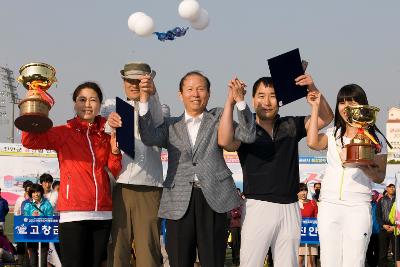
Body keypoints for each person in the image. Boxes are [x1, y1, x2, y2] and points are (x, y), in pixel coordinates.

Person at [138, 71, 256, 267]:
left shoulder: (218, 117)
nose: (195, 94)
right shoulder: (171, 125)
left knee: (212, 260)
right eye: (190, 89)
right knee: (179, 260)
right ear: (180, 94)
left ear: (209, 94)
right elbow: (149, 137)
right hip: (178, 200)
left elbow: (248, 135)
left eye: (201, 89)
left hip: (213, 197)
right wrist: (144, 99)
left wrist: (240, 102)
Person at [218, 74, 333, 266]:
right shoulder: (246, 129)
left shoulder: (291, 125)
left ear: (279, 100)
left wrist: (312, 87)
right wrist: (230, 101)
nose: (267, 101)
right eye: (261, 96)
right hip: (257, 207)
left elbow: (326, 117)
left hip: (290, 206)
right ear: (253, 100)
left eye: (272, 95)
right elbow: (224, 141)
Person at [21, 81, 122, 267]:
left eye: (93, 100)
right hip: (73, 214)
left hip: (103, 214)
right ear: (75, 104)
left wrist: (115, 152)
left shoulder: (106, 134)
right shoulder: (63, 133)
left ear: (100, 104)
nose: (87, 104)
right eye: (82, 99)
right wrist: (32, 109)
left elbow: (114, 170)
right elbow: (30, 140)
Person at [306, 84, 388, 267]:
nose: (346, 106)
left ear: (362, 105)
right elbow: (311, 142)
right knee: (329, 261)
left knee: (354, 261)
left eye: (351, 101)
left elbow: (380, 176)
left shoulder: (377, 139)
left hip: (358, 207)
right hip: (329, 205)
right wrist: (314, 108)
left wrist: (359, 162)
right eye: (341, 102)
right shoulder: (333, 134)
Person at [107, 62, 164, 267]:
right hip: (118, 187)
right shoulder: (112, 108)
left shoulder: (158, 107)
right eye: (129, 81)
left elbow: (159, 120)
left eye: (138, 81)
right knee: (117, 248)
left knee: (147, 249)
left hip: (149, 188)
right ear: (123, 82)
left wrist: (151, 94)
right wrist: (109, 124)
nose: (133, 85)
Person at [23, 183, 53, 267]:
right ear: (30, 194)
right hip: (31, 234)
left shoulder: (47, 204)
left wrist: (42, 219)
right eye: (33, 192)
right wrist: (31, 217)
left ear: (41, 192)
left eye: (38, 192)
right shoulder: (27, 205)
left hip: (44, 234)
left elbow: (51, 219)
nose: (36, 194)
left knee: (43, 258)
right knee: (33, 259)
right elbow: (24, 220)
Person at [297, 183, 318, 267]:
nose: (303, 193)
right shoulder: (294, 204)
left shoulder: (313, 203)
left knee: (311, 263)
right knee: (299, 262)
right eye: (300, 190)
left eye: (305, 190)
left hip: (310, 236)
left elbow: (317, 218)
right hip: (298, 236)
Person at [377, 183, 396, 266]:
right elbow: (378, 215)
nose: (392, 188)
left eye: (393, 187)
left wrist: (395, 227)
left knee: (397, 251)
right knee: (382, 252)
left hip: (395, 228)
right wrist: (383, 225)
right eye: (390, 187)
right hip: (384, 228)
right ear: (386, 188)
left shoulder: (398, 200)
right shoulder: (381, 200)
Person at [229, 188, 244, 266]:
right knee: (235, 243)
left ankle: (240, 259)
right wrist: (240, 211)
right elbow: (233, 214)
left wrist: (238, 211)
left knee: (242, 243)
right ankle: (235, 259)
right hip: (234, 226)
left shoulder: (242, 202)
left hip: (242, 225)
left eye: (239, 192)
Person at [367, 190, 381, 267]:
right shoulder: (366, 205)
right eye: (371, 195)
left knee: (377, 249)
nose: (372, 197)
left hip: (378, 231)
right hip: (368, 232)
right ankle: (370, 263)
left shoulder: (379, 205)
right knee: (369, 249)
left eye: (374, 195)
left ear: (377, 196)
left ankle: (375, 263)